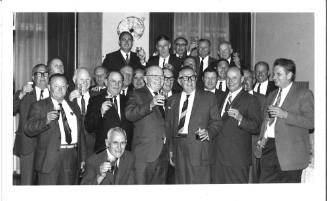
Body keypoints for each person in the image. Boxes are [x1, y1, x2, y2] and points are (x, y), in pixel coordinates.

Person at [257, 58, 314, 183]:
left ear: (289, 75)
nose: (274, 77)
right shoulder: (272, 95)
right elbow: (266, 121)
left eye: (278, 74)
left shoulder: (304, 94)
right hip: (269, 149)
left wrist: (285, 114)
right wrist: (262, 138)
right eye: (274, 74)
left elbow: (311, 122)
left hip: (290, 154)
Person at [24, 74, 86, 185]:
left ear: (67, 87)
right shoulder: (39, 106)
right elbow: (28, 129)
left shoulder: (74, 106)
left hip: (72, 157)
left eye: (63, 86)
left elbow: (81, 134)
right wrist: (45, 121)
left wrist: (83, 158)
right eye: (56, 86)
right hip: (49, 159)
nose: (60, 89)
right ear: (49, 87)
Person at [165, 66, 222, 184]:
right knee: (181, 185)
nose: (190, 81)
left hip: (199, 149)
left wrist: (208, 132)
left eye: (192, 77)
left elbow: (217, 122)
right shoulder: (171, 100)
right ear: (179, 81)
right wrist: (170, 150)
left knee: (199, 188)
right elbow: (169, 126)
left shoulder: (208, 97)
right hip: (178, 150)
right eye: (186, 78)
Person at [212, 67, 261, 184]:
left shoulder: (251, 99)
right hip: (217, 158)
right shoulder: (220, 97)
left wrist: (241, 118)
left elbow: (256, 127)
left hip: (237, 160)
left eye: (234, 78)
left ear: (242, 79)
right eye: (228, 78)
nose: (230, 81)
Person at [125, 66, 168, 184]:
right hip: (144, 155)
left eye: (161, 76)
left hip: (163, 155)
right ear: (145, 79)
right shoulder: (137, 93)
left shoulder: (165, 96)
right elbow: (129, 114)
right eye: (154, 76)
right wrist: (150, 104)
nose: (159, 79)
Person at [13, 64, 50, 185]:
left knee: (45, 183)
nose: (43, 77)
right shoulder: (24, 93)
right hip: (27, 144)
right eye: (39, 74)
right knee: (27, 183)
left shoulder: (54, 93)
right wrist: (21, 94)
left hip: (48, 147)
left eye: (45, 74)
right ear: (33, 77)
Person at [85, 70, 133, 152]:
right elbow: (89, 127)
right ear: (106, 82)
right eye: (113, 81)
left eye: (119, 81)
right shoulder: (96, 100)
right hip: (103, 150)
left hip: (125, 151)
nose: (117, 84)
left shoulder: (129, 101)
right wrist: (100, 113)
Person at [242, 69, 266, 183]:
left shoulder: (262, 99)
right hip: (236, 144)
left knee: (253, 177)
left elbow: (266, 123)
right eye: (243, 78)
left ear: (254, 80)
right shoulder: (233, 97)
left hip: (254, 142)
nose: (245, 80)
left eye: (249, 78)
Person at [69, 67, 97, 157]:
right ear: (74, 80)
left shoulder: (97, 97)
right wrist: (69, 101)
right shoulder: (66, 97)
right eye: (81, 79)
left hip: (92, 145)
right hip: (73, 144)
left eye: (87, 79)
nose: (85, 82)